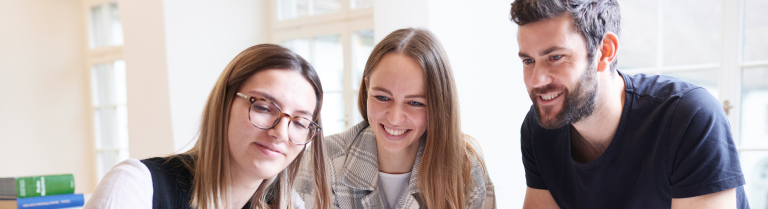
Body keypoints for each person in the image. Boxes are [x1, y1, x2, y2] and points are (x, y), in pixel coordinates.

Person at [510, 0, 749, 208]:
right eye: (528, 60)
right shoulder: (540, 127)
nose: (536, 80)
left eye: (555, 57)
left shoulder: (689, 117)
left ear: (605, 51)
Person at [85, 44, 333, 209]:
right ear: (223, 103)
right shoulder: (136, 185)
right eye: (264, 107)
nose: (280, 133)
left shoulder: (289, 204)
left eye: (300, 122)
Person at [295, 28, 496, 209]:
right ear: (367, 87)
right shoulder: (323, 159)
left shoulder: (466, 164)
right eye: (382, 98)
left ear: (438, 104)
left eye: (415, 103)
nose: (395, 118)